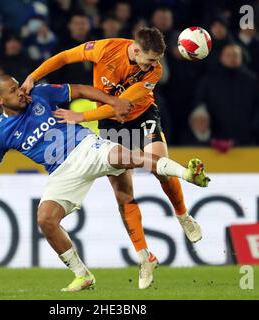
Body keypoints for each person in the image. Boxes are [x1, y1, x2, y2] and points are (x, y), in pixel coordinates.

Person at [0, 75, 210, 292]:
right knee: (45, 219)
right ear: (0, 100)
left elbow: (79, 90)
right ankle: (82, 275)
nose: (20, 92)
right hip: (60, 172)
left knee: (127, 158)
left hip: (85, 146)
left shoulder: (39, 94)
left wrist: (113, 102)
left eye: (18, 86)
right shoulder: (0, 135)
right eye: (13, 91)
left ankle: (186, 174)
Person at [21, 27, 205, 289]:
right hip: (111, 124)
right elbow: (63, 57)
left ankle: (184, 216)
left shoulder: (154, 71)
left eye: (157, 60)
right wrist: (32, 77)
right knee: (123, 195)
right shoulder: (105, 49)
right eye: (150, 59)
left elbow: (124, 104)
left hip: (140, 116)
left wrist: (82, 117)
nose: (155, 65)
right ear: (137, 49)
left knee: (160, 169)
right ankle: (145, 257)